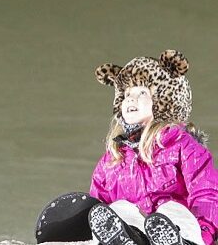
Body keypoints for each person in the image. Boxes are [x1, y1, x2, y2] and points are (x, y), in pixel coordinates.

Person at [84, 50, 218, 245]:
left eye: (142, 92)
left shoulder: (183, 147)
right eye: (127, 93)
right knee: (120, 208)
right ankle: (122, 240)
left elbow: (206, 192)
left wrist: (205, 234)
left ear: (165, 100)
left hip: (180, 228)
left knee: (171, 210)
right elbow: (99, 202)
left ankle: (182, 242)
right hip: (138, 233)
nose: (130, 98)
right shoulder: (112, 159)